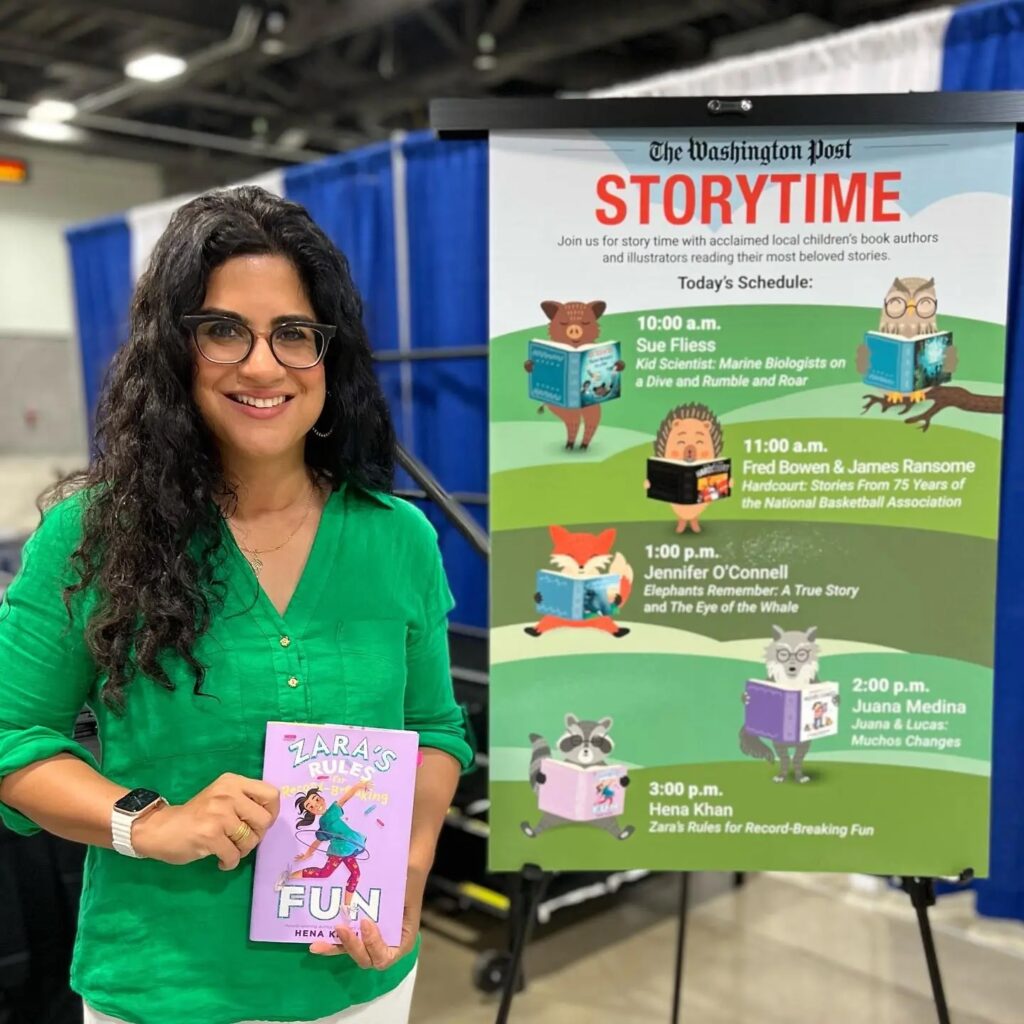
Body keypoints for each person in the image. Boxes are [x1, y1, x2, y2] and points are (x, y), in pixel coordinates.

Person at [0, 186, 474, 1024]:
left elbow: (433, 729)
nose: (262, 366)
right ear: (174, 350)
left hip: (356, 981)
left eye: (294, 333)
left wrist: (411, 852)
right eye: (224, 330)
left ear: (329, 356)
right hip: (163, 987)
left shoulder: (397, 536)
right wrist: (150, 822)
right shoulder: (92, 534)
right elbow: (12, 740)